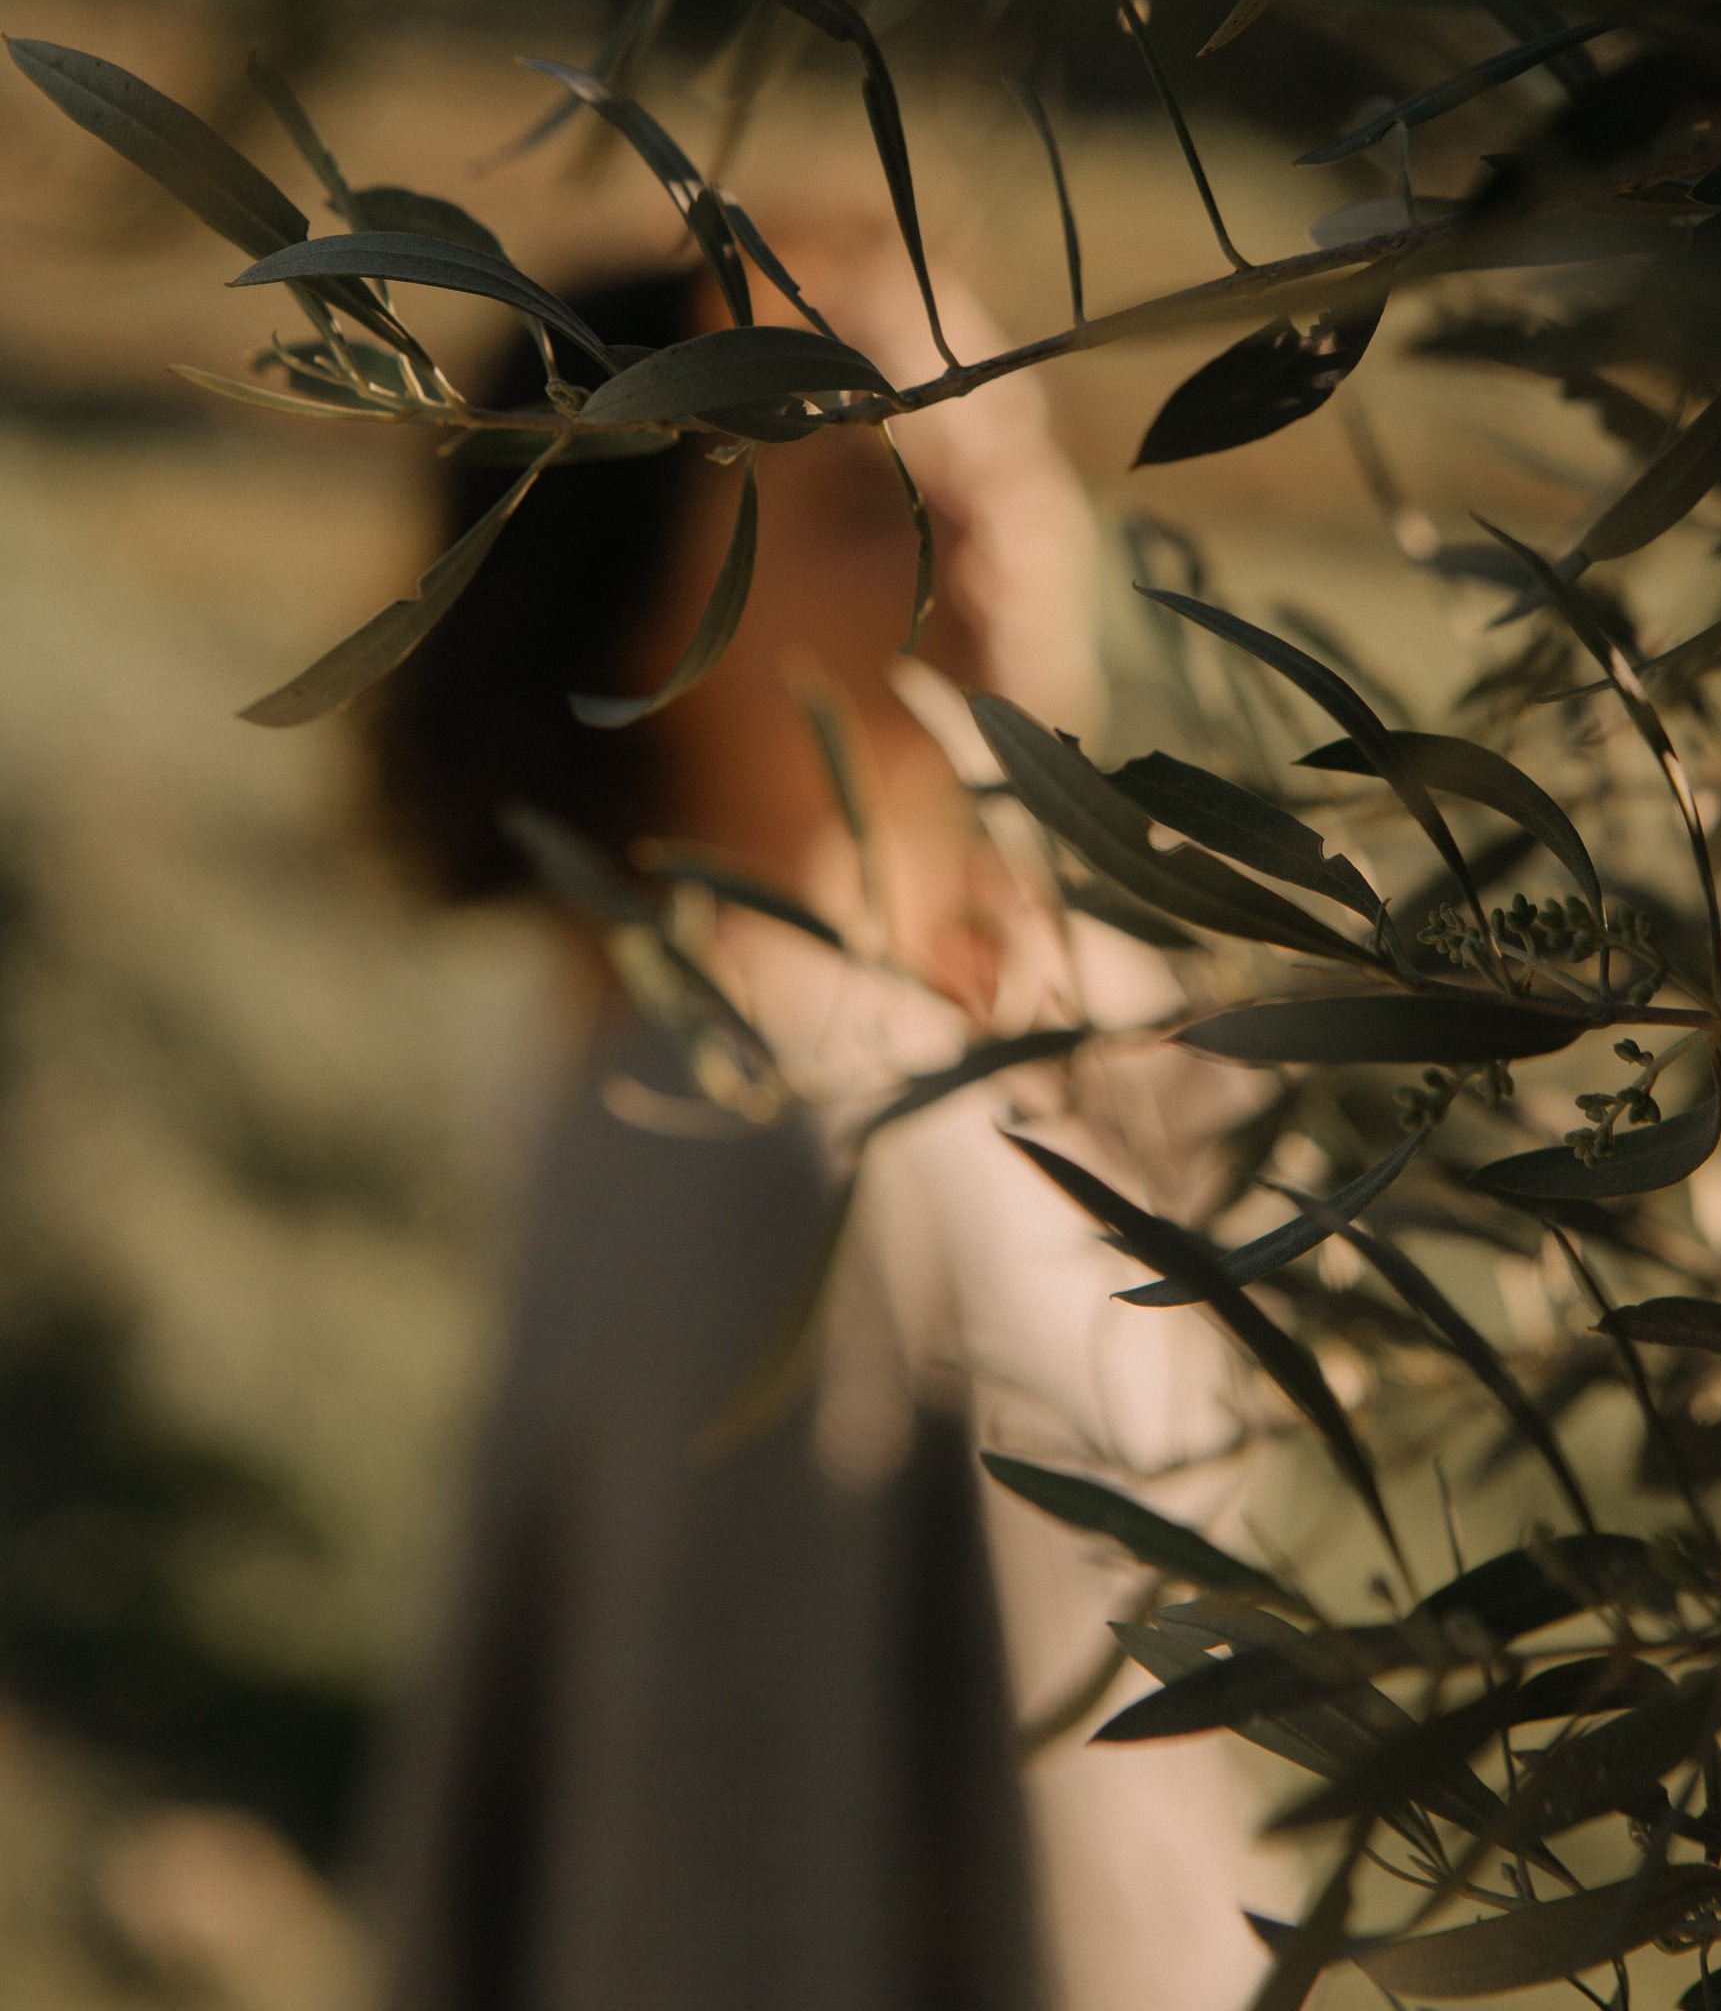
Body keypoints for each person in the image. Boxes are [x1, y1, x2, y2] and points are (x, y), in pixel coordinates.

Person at [365, 235, 1283, 2011]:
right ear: (638, 617)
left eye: (1006, 440)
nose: (991, 525)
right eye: (876, 496)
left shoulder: (985, 1040)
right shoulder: (757, 1147)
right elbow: (708, 1898)